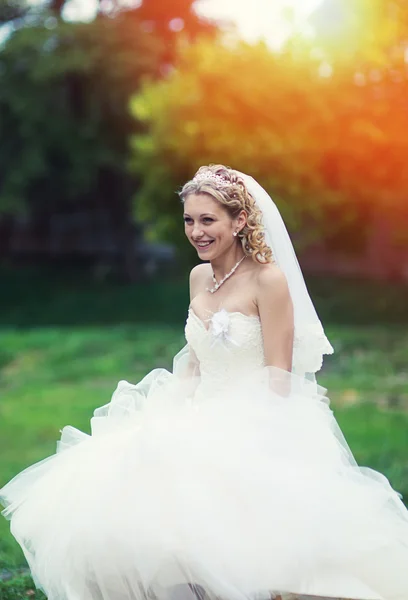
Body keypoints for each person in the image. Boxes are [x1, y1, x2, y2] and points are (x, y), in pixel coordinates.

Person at [1, 165, 408, 600]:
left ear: (240, 221)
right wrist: (169, 415)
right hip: (200, 411)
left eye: (208, 220)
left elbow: (279, 373)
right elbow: (194, 363)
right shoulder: (200, 277)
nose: (196, 231)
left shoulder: (268, 281)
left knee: (252, 549)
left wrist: (259, 441)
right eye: (189, 220)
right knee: (121, 494)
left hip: (257, 419)